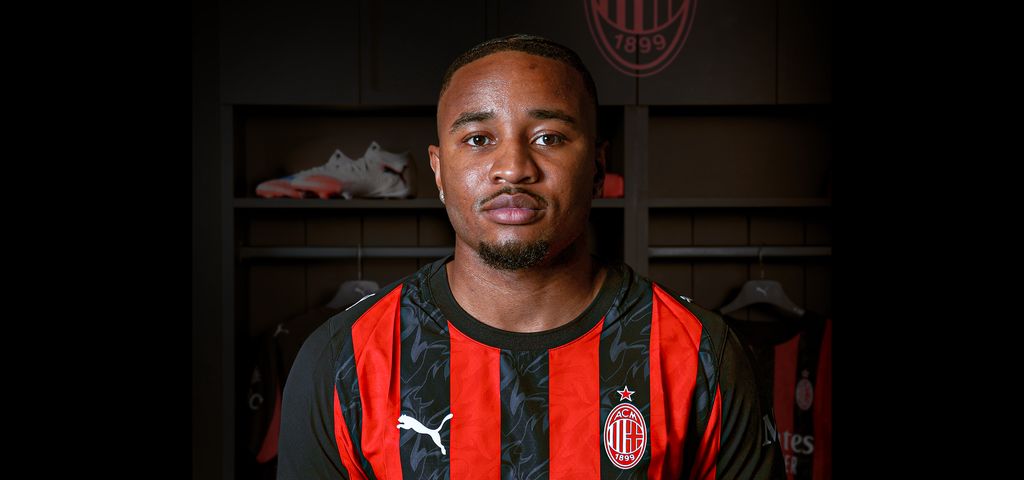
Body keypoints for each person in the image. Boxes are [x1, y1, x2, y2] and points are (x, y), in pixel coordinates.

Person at [278, 34, 781, 479]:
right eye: (478, 140)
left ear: (598, 167)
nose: (514, 168)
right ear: (438, 169)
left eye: (549, 138)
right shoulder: (343, 358)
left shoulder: (700, 352)